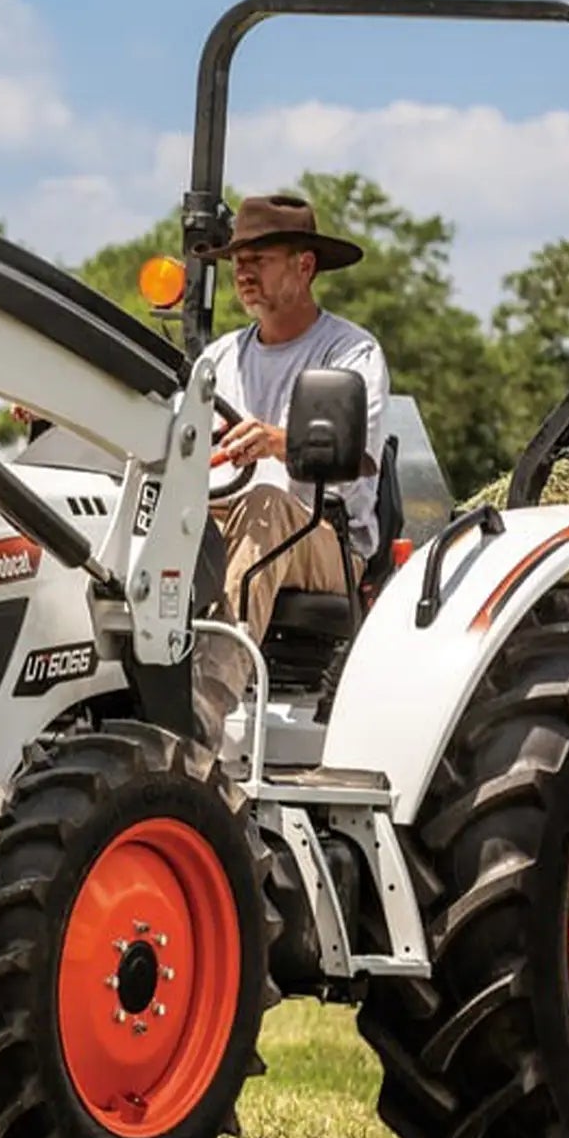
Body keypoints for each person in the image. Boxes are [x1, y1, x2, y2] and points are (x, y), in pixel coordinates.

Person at [191, 190, 390, 735]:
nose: (243, 273)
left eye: (258, 260)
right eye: (237, 262)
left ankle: (201, 708)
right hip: (222, 519)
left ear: (304, 267)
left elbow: (356, 454)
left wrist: (280, 442)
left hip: (324, 534)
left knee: (264, 505)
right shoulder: (218, 358)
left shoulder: (350, 354)